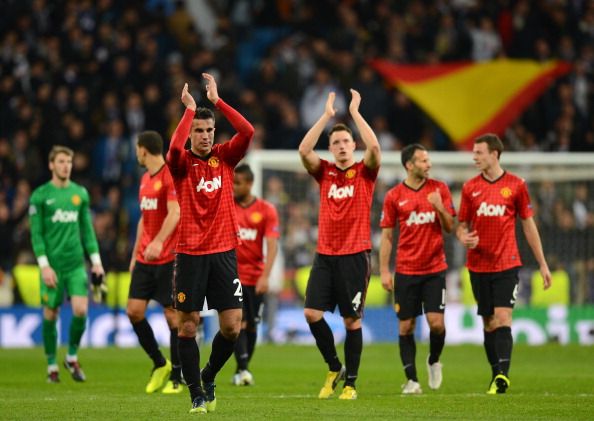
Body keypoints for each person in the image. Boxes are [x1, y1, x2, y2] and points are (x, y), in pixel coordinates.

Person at [167, 74, 254, 414]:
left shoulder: (225, 158)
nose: (204, 136)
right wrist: (188, 110)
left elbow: (247, 132)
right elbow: (173, 149)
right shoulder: (181, 165)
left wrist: (217, 102)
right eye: (199, 131)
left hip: (223, 254)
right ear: (190, 132)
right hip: (189, 255)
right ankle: (195, 395)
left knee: (232, 327)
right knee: (188, 324)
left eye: (209, 130)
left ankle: (208, 374)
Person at [299, 89, 381, 400]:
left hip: (355, 255)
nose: (341, 146)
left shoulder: (365, 172)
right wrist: (326, 117)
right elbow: (304, 149)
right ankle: (335, 366)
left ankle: (351, 384)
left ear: (353, 145)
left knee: (351, 320)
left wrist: (356, 114)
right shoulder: (325, 173)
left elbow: (374, 146)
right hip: (325, 255)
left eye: (346, 141)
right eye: (336, 143)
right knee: (311, 314)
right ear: (331, 149)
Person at [456, 133, 552, 394]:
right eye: (474, 152)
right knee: (488, 322)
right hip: (478, 264)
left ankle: (502, 377)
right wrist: (464, 237)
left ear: (494, 154)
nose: (475, 157)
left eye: (479, 152)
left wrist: (542, 263)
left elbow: (528, 225)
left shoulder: (516, 185)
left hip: (507, 262)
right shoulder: (470, 188)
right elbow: (461, 226)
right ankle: (496, 372)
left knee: (503, 316)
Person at [378, 144, 456, 394]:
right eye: (422, 160)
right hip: (406, 270)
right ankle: (411, 380)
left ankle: (434, 360)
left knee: (436, 324)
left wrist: (439, 207)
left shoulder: (439, 189)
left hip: (434, 269)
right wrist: (385, 271)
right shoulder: (394, 196)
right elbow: (388, 236)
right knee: (406, 326)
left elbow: (450, 227)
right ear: (409, 165)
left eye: (428, 159)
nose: (428, 164)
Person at [29, 145, 105, 383]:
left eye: (69, 162)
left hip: (75, 265)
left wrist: (96, 262)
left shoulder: (80, 194)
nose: (66, 166)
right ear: (51, 165)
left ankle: (71, 356)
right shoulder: (40, 196)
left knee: (81, 310)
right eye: (61, 162)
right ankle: (52, 364)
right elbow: (36, 234)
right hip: (52, 266)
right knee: (51, 312)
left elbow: (87, 230)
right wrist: (44, 266)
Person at [127, 130, 182, 394]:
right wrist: (135, 253)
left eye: (137, 149)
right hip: (144, 258)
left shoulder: (169, 175)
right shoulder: (144, 180)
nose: (136, 153)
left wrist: (159, 241)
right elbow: (143, 218)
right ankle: (160, 363)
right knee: (134, 311)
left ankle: (177, 377)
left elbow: (175, 212)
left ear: (143, 150)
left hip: (167, 258)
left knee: (172, 316)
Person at [231, 163, 280, 386]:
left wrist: (265, 276)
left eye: (238, 183)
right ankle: (243, 369)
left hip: (255, 276)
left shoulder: (266, 210)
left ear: (250, 183)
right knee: (237, 323)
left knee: (251, 325)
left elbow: (272, 245)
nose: (233, 187)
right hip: (231, 275)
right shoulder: (226, 207)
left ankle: (242, 369)